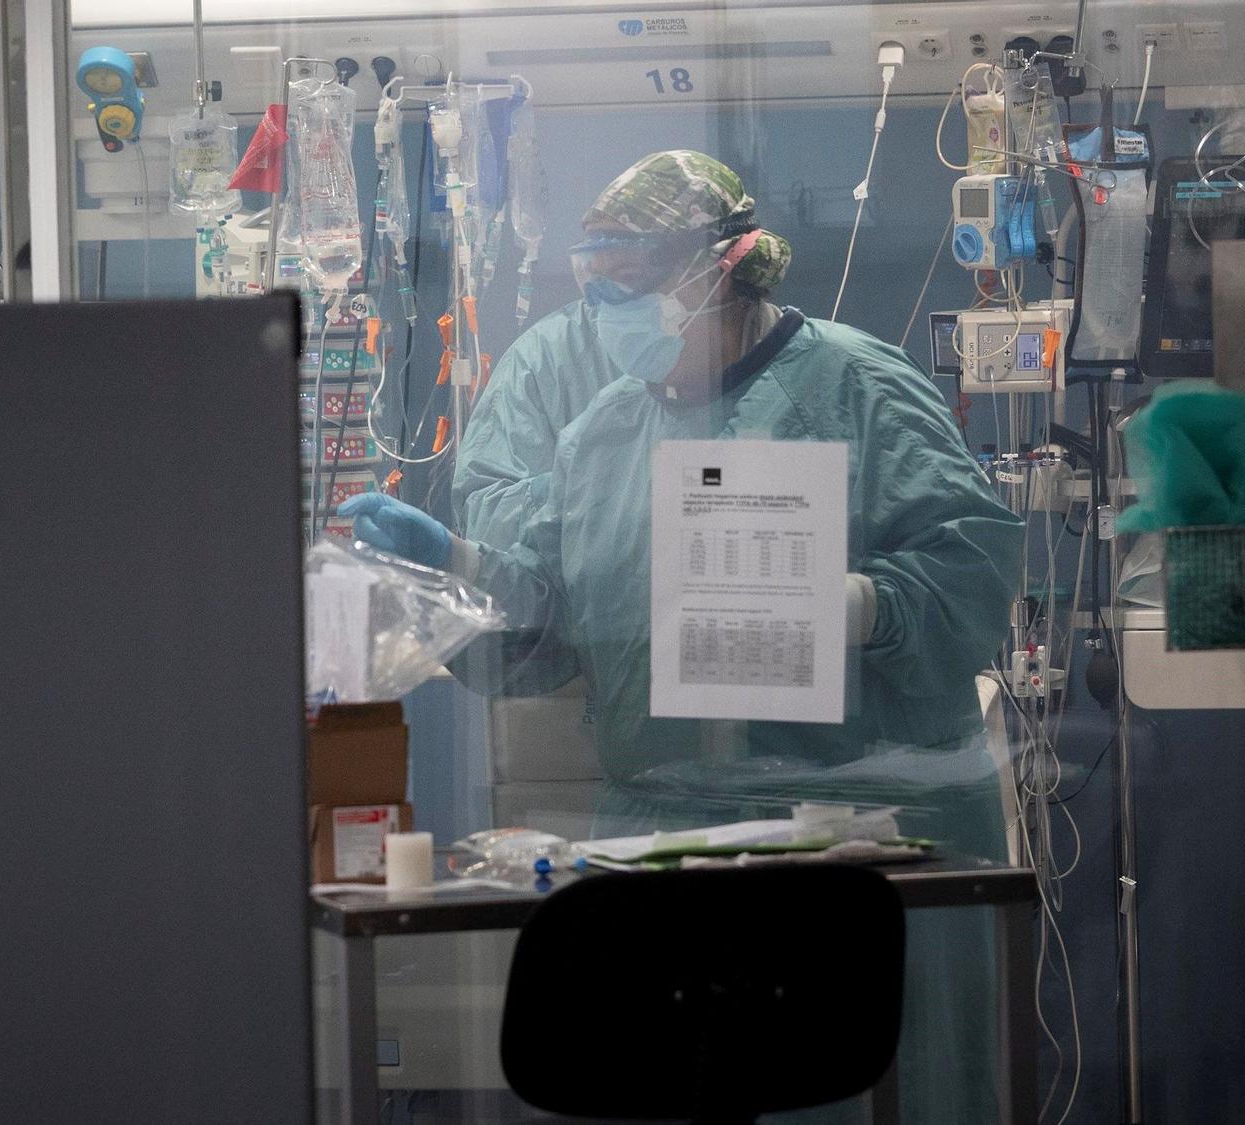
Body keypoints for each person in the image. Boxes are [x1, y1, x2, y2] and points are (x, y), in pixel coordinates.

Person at [341, 151, 1025, 1121]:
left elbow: (974, 573)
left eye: (631, 286)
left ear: (719, 268)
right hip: (665, 839)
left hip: (864, 839)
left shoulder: (856, 386)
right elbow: (552, 620)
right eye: (597, 289)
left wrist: (853, 607)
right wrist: (453, 564)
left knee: (867, 1090)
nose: (609, 316)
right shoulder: (606, 434)